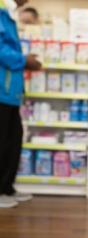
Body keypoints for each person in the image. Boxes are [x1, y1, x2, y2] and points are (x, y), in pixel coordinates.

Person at [0, 0, 41, 208]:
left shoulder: (9, 13)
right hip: (2, 90)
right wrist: (24, 60)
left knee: (13, 139)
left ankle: (7, 187)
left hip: (10, 91)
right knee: (4, 141)